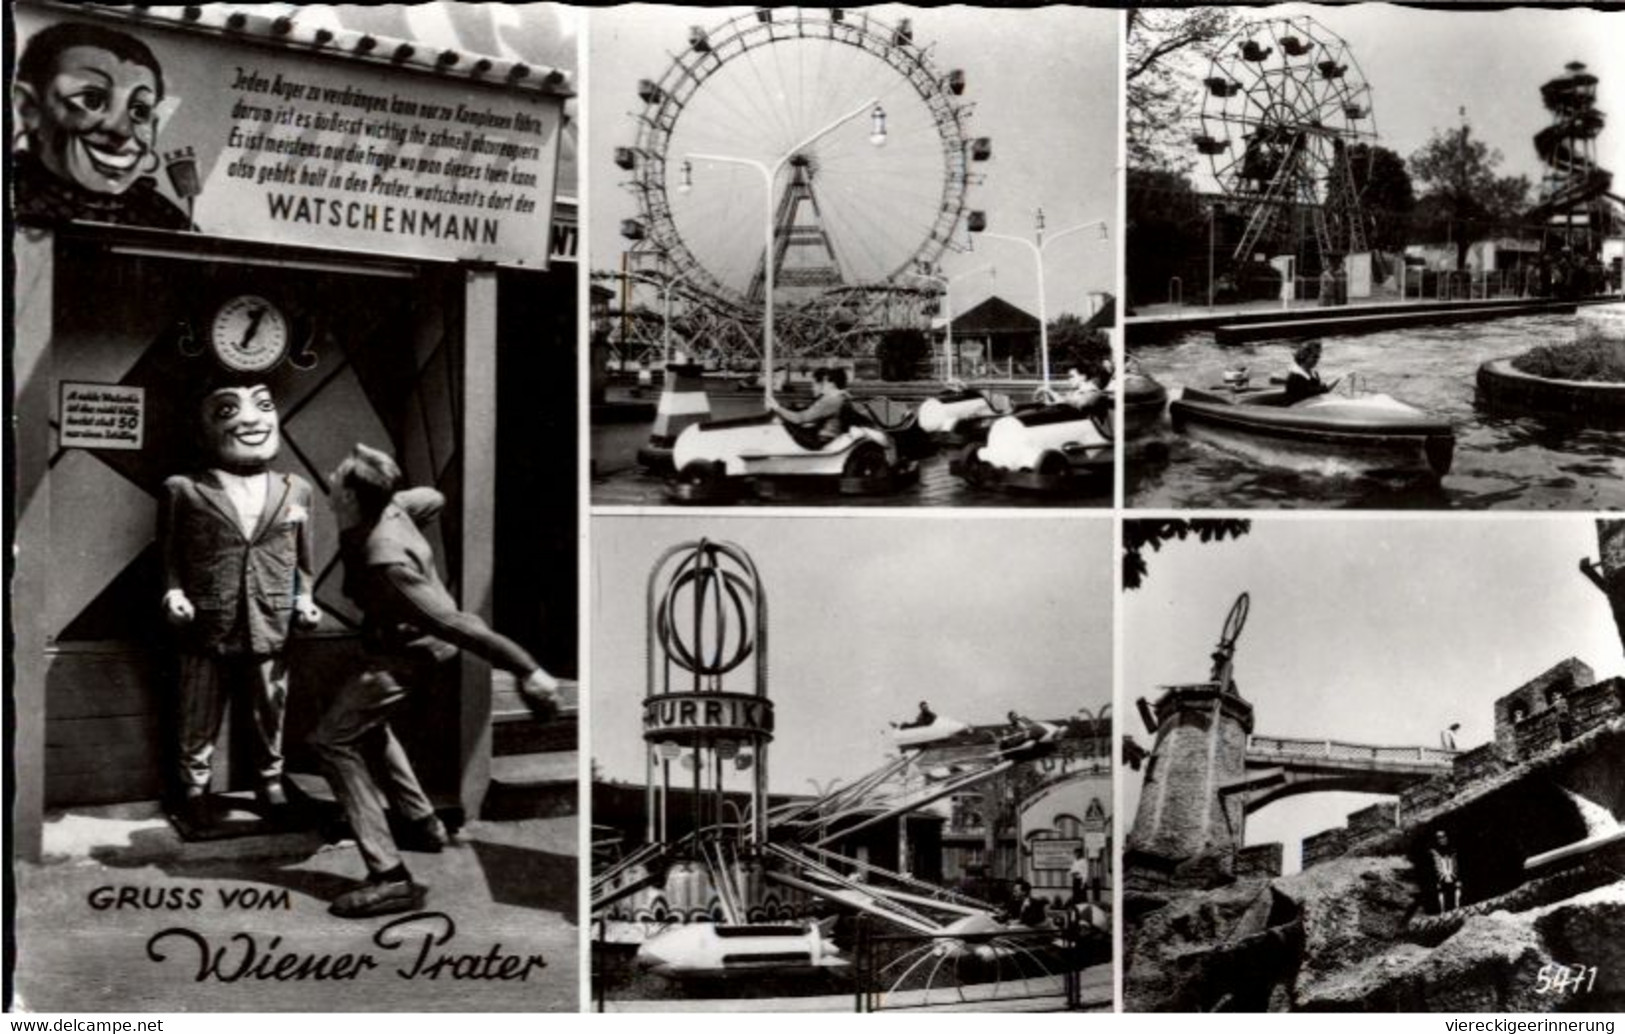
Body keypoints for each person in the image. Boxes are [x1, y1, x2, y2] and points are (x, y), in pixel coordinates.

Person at [314, 443, 564, 918]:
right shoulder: (396, 508)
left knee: (331, 741)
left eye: (338, 476)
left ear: (348, 496)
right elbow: (433, 497)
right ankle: (423, 823)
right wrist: (392, 493)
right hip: (391, 649)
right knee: (366, 726)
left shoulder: (384, 557)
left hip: (406, 657)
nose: (329, 476)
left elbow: (452, 622)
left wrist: (527, 669)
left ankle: (390, 878)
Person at [161, 381, 318, 829]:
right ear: (203, 429)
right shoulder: (183, 488)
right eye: (228, 410)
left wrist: (304, 597)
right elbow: (169, 554)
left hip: (270, 616)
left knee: (271, 703)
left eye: (264, 406)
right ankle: (194, 788)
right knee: (199, 706)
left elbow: (304, 556)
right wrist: (173, 593)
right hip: (207, 617)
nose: (250, 419)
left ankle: (271, 781)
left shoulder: (297, 489)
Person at [12, 21, 191, 229]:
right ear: (29, 107)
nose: (122, 129)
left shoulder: (164, 219)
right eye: (91, 100)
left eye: (140, 111)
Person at [768, 367, 850, 444]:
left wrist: (777, 407)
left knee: (783, 425)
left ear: (832, 384)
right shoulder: (841, 397)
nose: (823, 385)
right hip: (826, 436)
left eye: (825, 382)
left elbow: (799, 419)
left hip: (821, 439)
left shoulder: (830, 400)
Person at [1283, 340, 1332, 404]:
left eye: (1318, 357)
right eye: (1315, 357)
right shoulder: (1295, 377)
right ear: (1304, 355)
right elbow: (1308, 393)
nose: (1317, 360)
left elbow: (1319, 391)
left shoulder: (1314, 374)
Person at [1429, 829, 1461, 914]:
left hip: (1452, 873)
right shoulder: (1432, 852)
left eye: (1444, 837)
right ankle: (1442, 910)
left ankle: (1457, 907)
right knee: (1440, 889)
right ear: (1436, 840)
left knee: (1457, 886)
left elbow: (1457, 864)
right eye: (1440, 838)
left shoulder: (1453, 850)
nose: (1443, 839)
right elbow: (1431, 868)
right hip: (1440, 876)